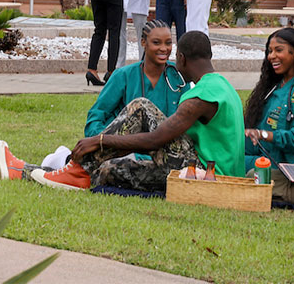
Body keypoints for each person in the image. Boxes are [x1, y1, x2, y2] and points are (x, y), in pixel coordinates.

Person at [30, 31, 245, 191]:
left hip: (206, 176)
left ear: (181, 57)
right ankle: (29, 171)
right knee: (108, 170)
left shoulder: (201, 95)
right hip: (211, 175)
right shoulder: (224, 87)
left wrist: (100, 140)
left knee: (141, 107)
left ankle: (76, 169)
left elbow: (155, 140)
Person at [0, 20, 185, 180]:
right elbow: (96, 115)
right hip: (120, 149)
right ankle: (25, 169)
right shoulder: (123, 76)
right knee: (98, 168)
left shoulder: (178, 78)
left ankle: (52, 163)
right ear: (143, 42)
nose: (164, 48)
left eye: (168, 43)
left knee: (102, 175)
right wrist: (101, 143)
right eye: (156, 42)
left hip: (159, 156)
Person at [242, 27, 294, 202]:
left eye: (278, 50)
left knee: (246, 172)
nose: (271, 56)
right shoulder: (273, 86)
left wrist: (264, 135)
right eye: (270, 51)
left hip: (288, 168)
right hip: (262, 159)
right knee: (223, 159)